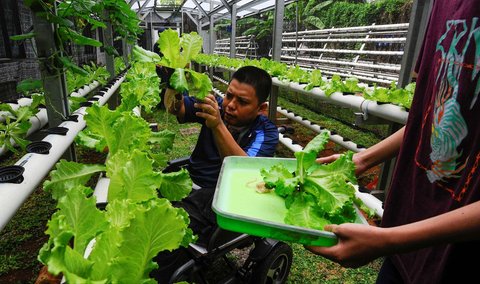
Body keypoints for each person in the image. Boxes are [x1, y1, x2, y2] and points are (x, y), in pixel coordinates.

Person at [305, 2, 480, 283]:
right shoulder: (441, 6)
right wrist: (360, 159)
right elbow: (428, 113)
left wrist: (388, 240)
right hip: (408, 238)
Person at [152, 65, 279, 283]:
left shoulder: (265, 132)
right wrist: (174, 82)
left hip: (218, 201)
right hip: (187, 186)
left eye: (243, 102)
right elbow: (178, 109)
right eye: (229, 95)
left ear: (261, 108)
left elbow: (243, 172)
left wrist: (218, 125)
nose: (230, 105)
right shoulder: (217, 107)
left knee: (162, 233)